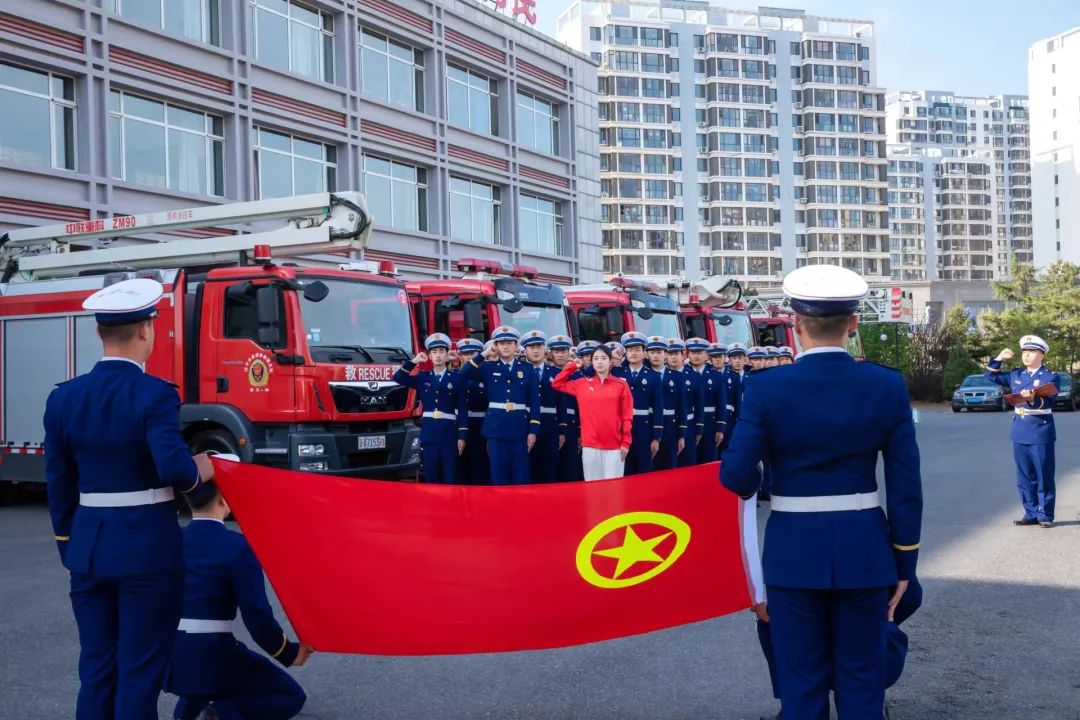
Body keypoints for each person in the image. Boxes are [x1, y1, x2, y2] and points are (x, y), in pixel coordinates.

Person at [721, 265, 922, 720]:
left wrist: (757, 479)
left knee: (802, 687)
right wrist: (904, 564)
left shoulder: (765, 387)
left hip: (793, 553)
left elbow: (735, 474)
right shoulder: (886, 384)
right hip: (865, 552)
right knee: (862, 685)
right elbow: (906, 485)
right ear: (853, 323)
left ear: (796, 323)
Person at [44, 278, 214, 720]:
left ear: (98, 332)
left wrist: (69, 546)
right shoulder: (155, 394)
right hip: (147, 551)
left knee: (96, 668)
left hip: (88, 549)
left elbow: (59, 483)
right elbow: (174, 469)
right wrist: (200, 472)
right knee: (139, 671)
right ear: (145, 330)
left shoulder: (63, 398)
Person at [166, 482, 312, 720]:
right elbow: (256, 615)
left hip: (170, 654)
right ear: (224, 499)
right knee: (290, 696)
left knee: (198, 692)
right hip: (214, 654)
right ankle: (219, 714)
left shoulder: (170, 541)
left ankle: (197, 711)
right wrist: (287, 652)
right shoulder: (238, 546)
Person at [984, 335, 1060, 527]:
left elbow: (1049, 401)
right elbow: (990, 376)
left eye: (1031, 352)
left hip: (1040, 431)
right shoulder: (1017, 374)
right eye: (1024, 352)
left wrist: (1033, 398)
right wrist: (999, 358)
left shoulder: (1050, 376)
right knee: (1024, 476)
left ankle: (1045, 515)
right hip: (1019, 431)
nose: (1026, 355)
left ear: (1041, 355)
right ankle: (1030, 512)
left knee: (1043, 475)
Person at [458, 326, 540, 485]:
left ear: (516, 346)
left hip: (519, 428)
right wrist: (483, 354)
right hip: (496, 429)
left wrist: (533, 430)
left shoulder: (527, 368)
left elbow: (534, 401)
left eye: (509, 343)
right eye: (501, 343)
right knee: (498, 473)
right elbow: (465, 372)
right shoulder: (488, 367)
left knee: (521, 474)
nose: (506, 346)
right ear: (495, 346)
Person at [393, 333, 466, 485]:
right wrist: (415, 361)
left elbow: (462, 408)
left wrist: (462, 436)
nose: (438, 355)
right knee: (431, 475)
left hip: (449, 434)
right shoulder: (423, 377)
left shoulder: (456, 378)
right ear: (429, 356)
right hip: (429, 434)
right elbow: (398, 378)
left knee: (450, 476)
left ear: (447, 355)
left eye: (441, 351)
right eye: (434, 352)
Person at [552, 345, 633, 480]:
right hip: (590, 445)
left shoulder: (621, 385)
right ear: (592, 362)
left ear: (610, 361)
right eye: (596, 358)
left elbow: (627, 415)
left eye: (603, 358)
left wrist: (626, 442)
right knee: (592, 486)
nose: (599, 362)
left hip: (614, 445)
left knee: (613, 487)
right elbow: (557, 384)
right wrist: (572, 366)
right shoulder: (581, 384)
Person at [617, 331, 663, 476]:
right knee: (624, 470)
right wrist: (613, 357)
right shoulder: (618, 373)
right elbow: (590, 372)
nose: (633, 353)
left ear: (644, 353)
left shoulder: (653, 376)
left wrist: (656, 437)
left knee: (644, 470)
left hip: (644, 429)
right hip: (621, 429)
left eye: (637, 350)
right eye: (630, 350)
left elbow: (658, 407)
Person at [522, 330, 564, 484]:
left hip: (550, 427)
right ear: (525, 350)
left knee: (549, 470)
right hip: (525, 426)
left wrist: (562, 429)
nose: (535, 350)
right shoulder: (519, 371)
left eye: (539, 346)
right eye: (531, 347)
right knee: (527, 470)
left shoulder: (556, 373)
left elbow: (561, 403)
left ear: (545, 349)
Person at [455, 338, 490, 485]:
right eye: (465, 354)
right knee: (460, 467)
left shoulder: (485, 374)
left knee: (479, 466)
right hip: (458, 425)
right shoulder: (457, 374)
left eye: (472, 353)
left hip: (480, 425)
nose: (468, 357)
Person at [646, 336, 684, 470]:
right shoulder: (644, 375)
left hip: (670, 428)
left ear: (665, 354)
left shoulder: (677, 376)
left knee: (669, 467)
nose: (656, 356)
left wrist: (682, 435)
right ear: (647, 354)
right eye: (652, 352)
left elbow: (681, 407)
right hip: (649, 426)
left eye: (659, 352)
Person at [686, 337, 726, 463]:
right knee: (689, 461)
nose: (696, 356)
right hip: (690, 422)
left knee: (708, 460)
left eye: (699, 353)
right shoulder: (683, 374)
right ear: (688, 354)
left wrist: (720, 428)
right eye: (693, 352)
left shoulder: (716, 376)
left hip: (710, 423)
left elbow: (721, 403)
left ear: (707, 355)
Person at [547, 335, 579, 482]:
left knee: (571, 467)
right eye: (556, 351)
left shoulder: (577, 375)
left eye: (563, 351)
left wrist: (580, 430)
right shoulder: (546, 373)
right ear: (550, 353)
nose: (560, 355)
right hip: (553, 424)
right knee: (552, 467)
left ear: (569, 353)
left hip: (572, 425)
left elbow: (580, 406)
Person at [668, 339, 702, 467]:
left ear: (683, 355)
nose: (673, 357)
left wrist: (699, 428)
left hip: (689, 425)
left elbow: (699, 404)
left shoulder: (694, 376)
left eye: (676, 353)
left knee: (688, 463)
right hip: (669, 425)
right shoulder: (661, 375)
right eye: (670, 354)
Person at [720, 343, 748, 456]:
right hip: (730, 419)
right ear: (729, 360)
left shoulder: (751, 377)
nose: (737, 361)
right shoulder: (723, 377)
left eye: (740, 357)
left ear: (745, 359)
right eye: (734, 358)